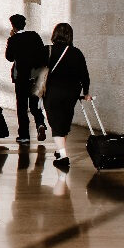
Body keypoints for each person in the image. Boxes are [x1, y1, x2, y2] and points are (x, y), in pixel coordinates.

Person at [40, 23, 91, 170]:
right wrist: (86, 92)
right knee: (64, 122)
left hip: (52, 92)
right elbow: (84, 75)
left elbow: (37, 69)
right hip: (71, 93)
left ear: (55, 34)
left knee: (56, 124)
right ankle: (59, 150)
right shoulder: (77, 53)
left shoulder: (48, 50)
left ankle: (63, 156)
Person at [5, 14, 48, 144]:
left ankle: (24, 135)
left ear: (13, 26)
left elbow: (9, 57)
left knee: (22, 106)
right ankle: (40, 123)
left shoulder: (13, 39)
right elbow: (43, 53)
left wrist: (11, 39)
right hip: (36, 76)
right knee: (35, 105)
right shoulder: (34, 35)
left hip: (21, 78)